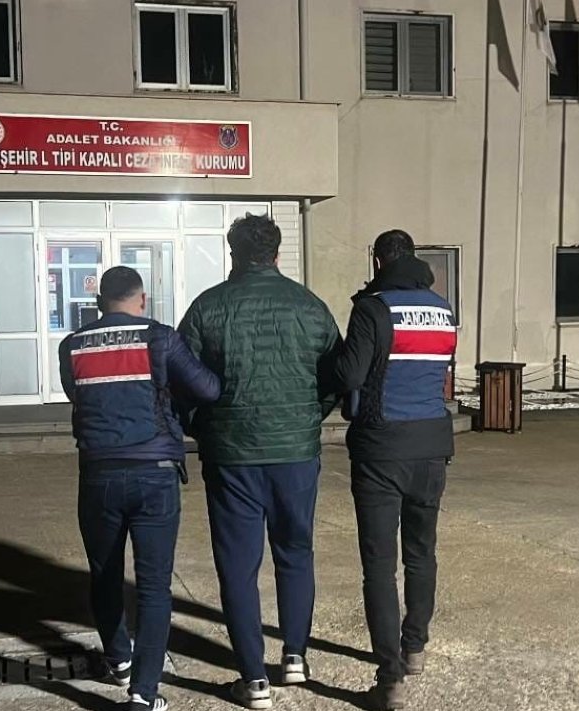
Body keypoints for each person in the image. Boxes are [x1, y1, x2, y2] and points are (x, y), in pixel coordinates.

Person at [178, 214, 341, 710]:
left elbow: (182, 379)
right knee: (296, 552)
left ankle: (253, 680)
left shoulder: (208, 307)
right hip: (295, 452)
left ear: (233, 253)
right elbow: (336, 374)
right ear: (276, 251)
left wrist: (202, 427)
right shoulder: (310, 308)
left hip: (232, 457)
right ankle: (295, 656)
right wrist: (310, 418)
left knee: (237, 565)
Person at [59, 266, 221, 711]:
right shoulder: (161, 338)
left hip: (99, 476)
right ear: (142, 299)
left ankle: (118, 660)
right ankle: (143, 694)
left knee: (105, 574)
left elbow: (80, 396)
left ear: (99, 303)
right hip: (155, 473)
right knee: (153, 586)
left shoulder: (72, 345)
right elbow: (207, 388)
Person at [331, 230, 458, 710]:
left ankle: (390, 680)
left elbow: (350, 375)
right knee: (422, 554)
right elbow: (439, 369)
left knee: (379, 567)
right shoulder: (443, 309)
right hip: (431, 446)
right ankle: (416, 647)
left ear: (379, 260)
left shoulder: (374, 308)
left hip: (382, 448)